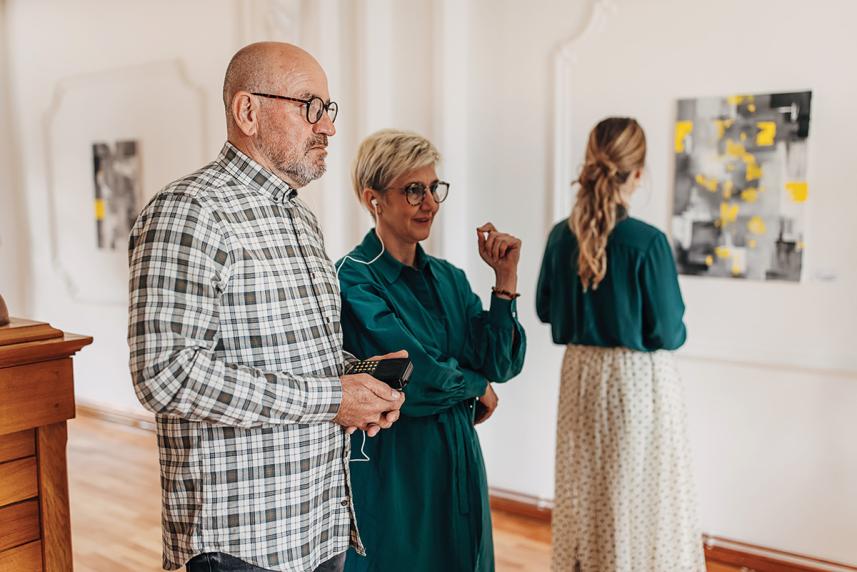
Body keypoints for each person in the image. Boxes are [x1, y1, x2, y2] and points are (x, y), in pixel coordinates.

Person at [127, 42, 406, 572]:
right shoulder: (189, 211)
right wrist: (333, 398)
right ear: (248, 111)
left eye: (329, 109)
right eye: (310, 106)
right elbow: (164, 374)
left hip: (319, 521)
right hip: (244, 541)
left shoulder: (301, 220)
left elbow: (293, 354)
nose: (328, 127)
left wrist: (362, 382)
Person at [336, 129, 527, 572]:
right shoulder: (352, 279)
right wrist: (475, 385)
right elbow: (411, 377)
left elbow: (501, 363)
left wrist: (505, 281)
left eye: (434, 188)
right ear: (373, 198)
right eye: (413, 190)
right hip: (397, 470)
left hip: (459, 464)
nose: (430, 203)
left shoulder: (450, 278)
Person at [536, 117, 705, 571]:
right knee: (635, 495)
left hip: (579, 378)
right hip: (636, 382)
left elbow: (546, 310)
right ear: (638, 173)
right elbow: (668, 333)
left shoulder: (561, 236)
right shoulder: (647, 243)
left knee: (585, 492)